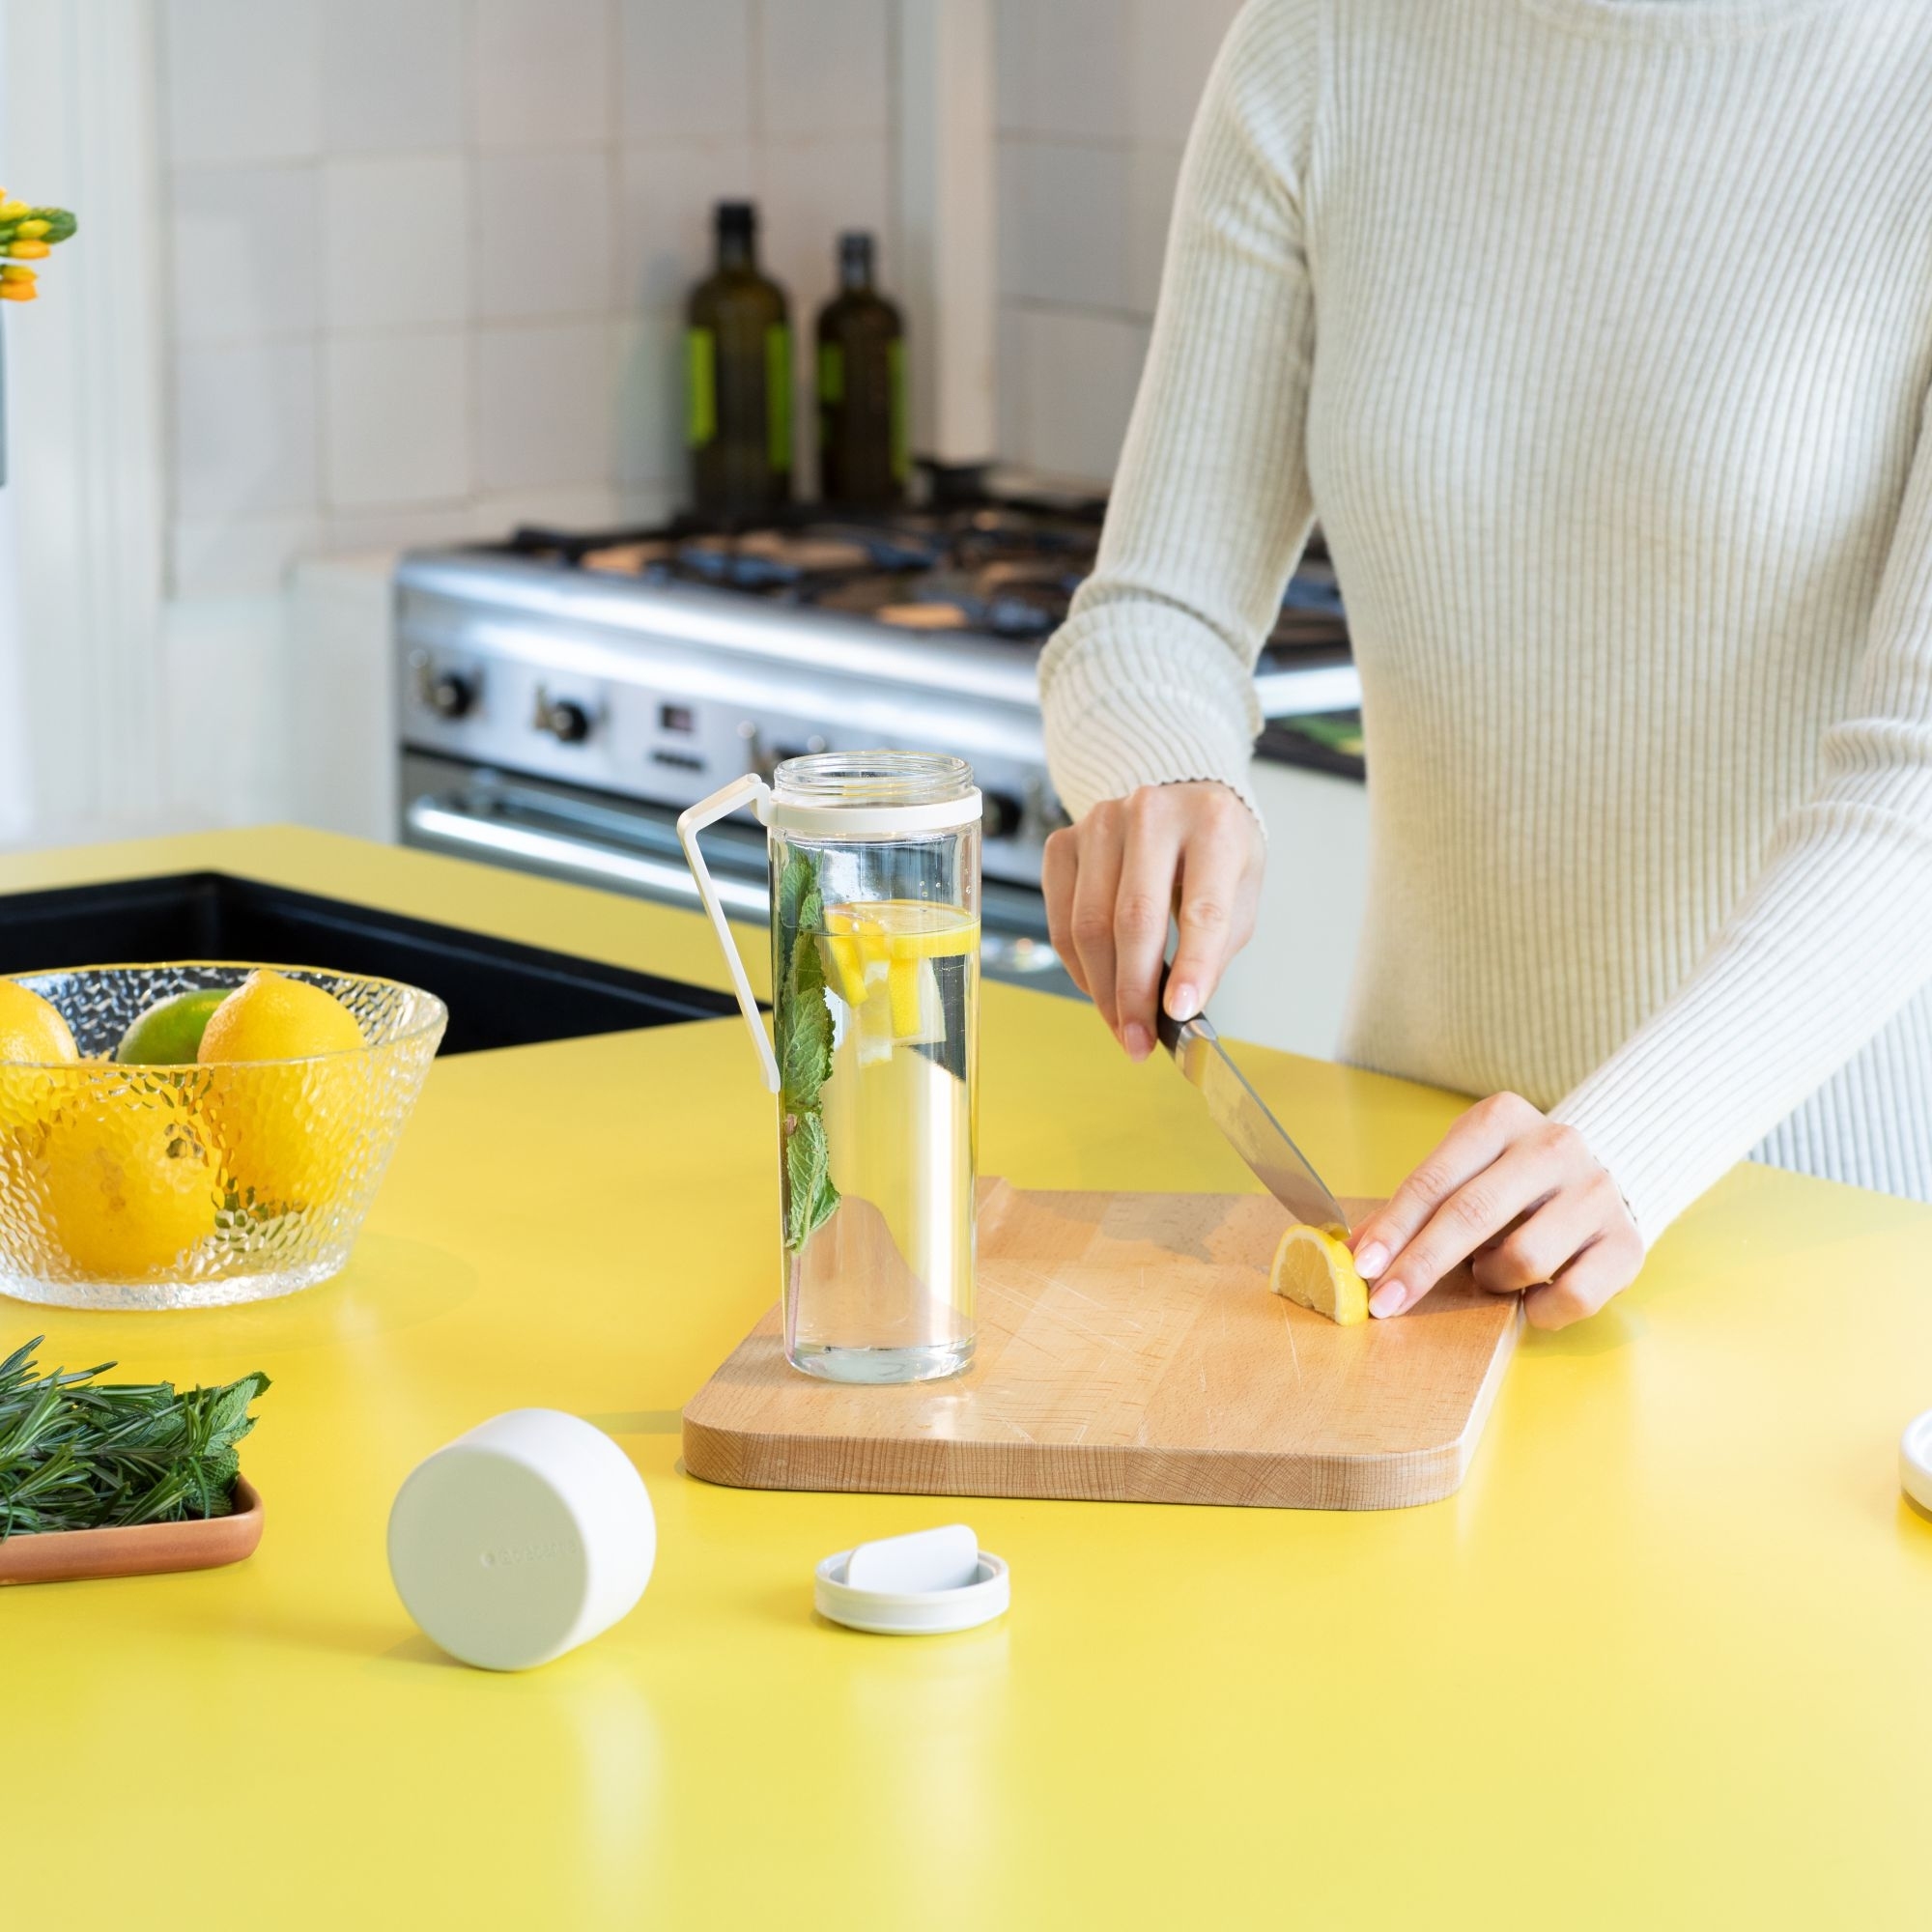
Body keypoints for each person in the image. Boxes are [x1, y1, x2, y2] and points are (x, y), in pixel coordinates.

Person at [1038, 0, 1932, 1329]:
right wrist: (1162, 772)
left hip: (1830, 1237)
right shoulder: (1326, 44)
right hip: (1418, 1216)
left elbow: (1917, 783)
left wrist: (1635, 1136)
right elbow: (1150, 613)